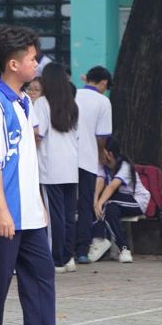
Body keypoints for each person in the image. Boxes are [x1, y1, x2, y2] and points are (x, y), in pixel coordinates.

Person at [0, 25, 68, 325]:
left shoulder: (25, 102)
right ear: (13, 65)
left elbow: (26, 159)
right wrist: (1, 209)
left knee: (42, 276)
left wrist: (38, 201)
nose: (36, 64)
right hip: (5, 213)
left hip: (30, 212)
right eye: (31, 59)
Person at [32, 62, 79, 273]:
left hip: (50, 167)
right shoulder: (72, 104)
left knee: (53, 216)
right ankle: (68, 256)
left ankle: (56, 258)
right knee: (69, 215)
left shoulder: (42, 103)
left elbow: (38, 135)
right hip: (71, 166)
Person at [74, 66, 113, 264]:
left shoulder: (72, 95)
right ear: (104, 83)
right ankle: (82, 250)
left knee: (65, 205)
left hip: (66, 159)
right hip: (88, 160)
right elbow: (102, 136)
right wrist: (101, 154)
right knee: (85, 205)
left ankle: (64, 249)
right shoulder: (103, 101)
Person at [90, 136, 149, 264]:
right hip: (118, 202)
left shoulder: (124, 166)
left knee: (108, 203)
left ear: (109, 154)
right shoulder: (104, 166)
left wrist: (100, 202)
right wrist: (96, 202)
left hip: (136, 202)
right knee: (110, 209)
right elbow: (99, 181)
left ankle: (100, 239)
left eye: (101, 151)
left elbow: (112, 187)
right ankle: (124, 249)